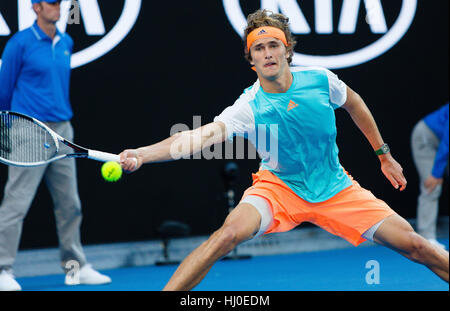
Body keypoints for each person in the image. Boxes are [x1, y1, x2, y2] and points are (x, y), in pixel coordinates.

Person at [119, 9, 449, 290]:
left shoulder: (321, 80)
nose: (267, 53)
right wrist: (142, 154)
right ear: (251, 60)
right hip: (278, 188)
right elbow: (198, 138)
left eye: (273, 45)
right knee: (225, 236)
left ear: (287, 50)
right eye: (258, 48)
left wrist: (383, 154)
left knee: (417, 246)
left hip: (336, 186)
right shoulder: (248, 106)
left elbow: (355, 103)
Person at [0, 0, 111, 291]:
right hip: (29, 130)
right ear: (36, 8)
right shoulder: (19, 43)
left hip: (63, 132)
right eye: (51, 3)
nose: (58, 8)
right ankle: (2, 269)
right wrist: (8, 129)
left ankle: (75, 269)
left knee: (70, 204)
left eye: (59, 3)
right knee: (16, 203)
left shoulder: (66, 41)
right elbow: (4, 90)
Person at [411, 103, 449, 250]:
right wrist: (436, 174)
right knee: (432, 187)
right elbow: (447, 141)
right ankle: (427, 239)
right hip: (426, 138)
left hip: (443, 142)